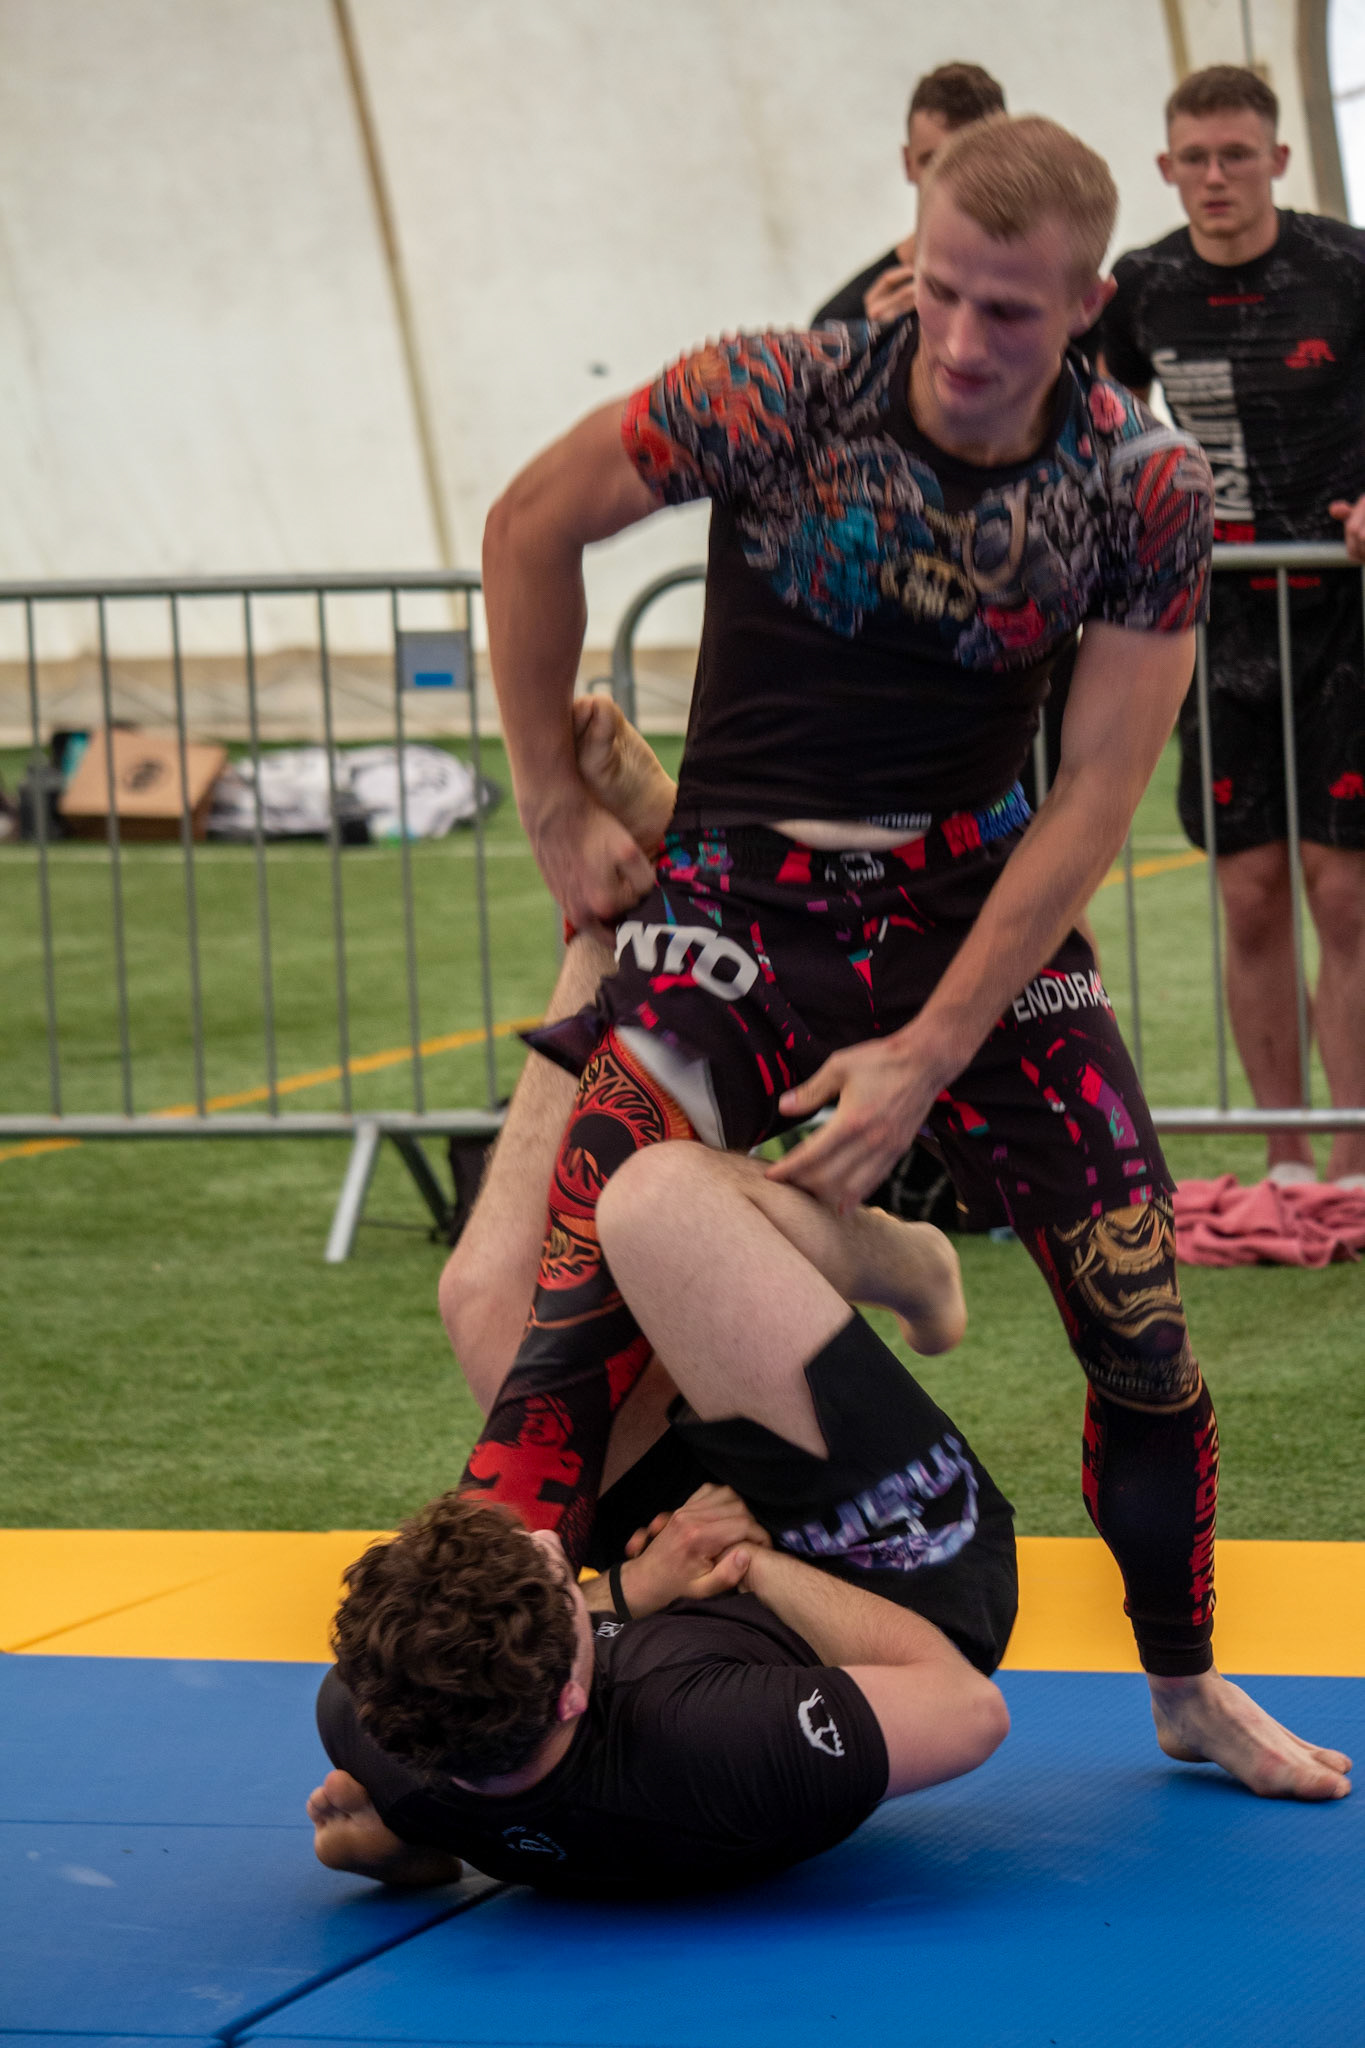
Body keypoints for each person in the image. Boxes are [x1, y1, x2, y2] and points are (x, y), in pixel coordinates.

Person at [464, 111, 1351, 1801]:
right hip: (735, 908)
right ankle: (471, 1728)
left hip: (975, 910)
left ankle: (1185, 1680)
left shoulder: (1141, 484)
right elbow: (527, 523)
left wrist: (932, 1051)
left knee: (1142, 1323)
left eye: (1005, 310)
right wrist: (551, 804)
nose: (956, 341)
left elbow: (1096, 794)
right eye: (935, 290)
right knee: (556, 1321)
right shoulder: (775, 392)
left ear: (1087, 305)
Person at [307, 949, 1017, 1896]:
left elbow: (468, 1694)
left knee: (485, 1300)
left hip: (675, 1565)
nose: (555, 1547)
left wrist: (633, 1588)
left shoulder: (380, 1716)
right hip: (888, 1577)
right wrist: (757, 1566)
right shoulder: (707, 1739)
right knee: (657, 1201)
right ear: (573, 1693)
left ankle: (593, 946)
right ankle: (914, 1271)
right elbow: (967, 1709)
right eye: (559, 1580)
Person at [1100, 65, 1365, 1188]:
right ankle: (1287, 1158)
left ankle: (1354, 1155)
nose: (1216, 176)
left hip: (1346, 620)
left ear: (1278, 161)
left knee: (1342, 890)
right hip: (1214, 626)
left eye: (1237, 155)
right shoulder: (1141, 286)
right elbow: (1095, 412)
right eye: (1196, 159)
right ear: (1167, 168)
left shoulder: (1346, 267)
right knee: (1250, 894)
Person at [813, 62, 1006, 327]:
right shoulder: (842, 320)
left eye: (973, 160)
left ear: (1007, 160)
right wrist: (877, 343)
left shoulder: (1050, 294)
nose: (954, 182)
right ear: (908, 163)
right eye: (933, 162)